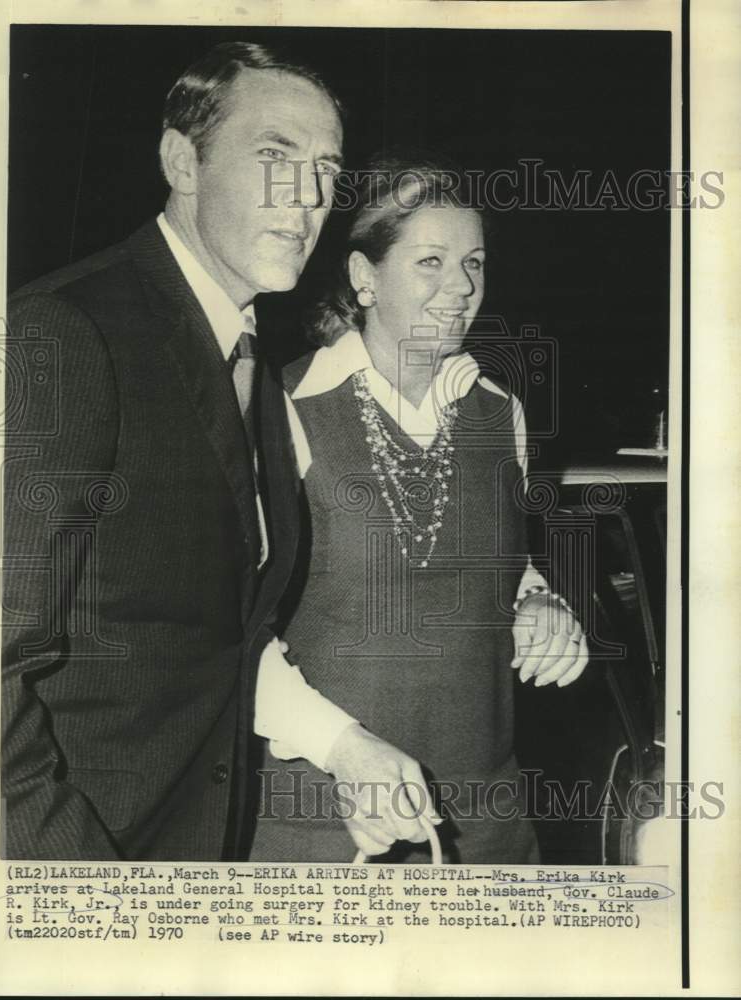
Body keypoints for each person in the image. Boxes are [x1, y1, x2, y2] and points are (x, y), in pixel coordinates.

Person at [0, 41, 381, 861]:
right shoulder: (66, 333)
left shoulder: (253, 364)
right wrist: (79, 897)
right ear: (183, 160)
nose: (309, 197)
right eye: (275, 155)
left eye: (326, 168)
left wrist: (347, 749)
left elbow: (217, 641)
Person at [249, 158, 589, 863]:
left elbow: (506, 569)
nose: (461, 287)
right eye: (430, 261)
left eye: (474, 262)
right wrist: (341, 751)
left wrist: (541, 606)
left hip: (485, 833)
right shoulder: (281, 408)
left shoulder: (502, 414)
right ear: (364, 277)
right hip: (323, 832)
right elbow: (224, 634)